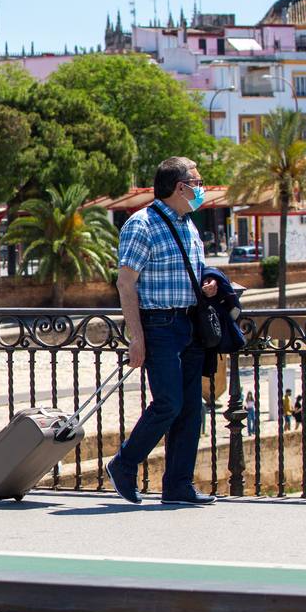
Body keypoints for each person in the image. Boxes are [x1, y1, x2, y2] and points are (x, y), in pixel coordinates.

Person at [107, 157, 219, 506]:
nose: (201, 187)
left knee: (191, 407)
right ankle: (124, 464)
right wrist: (136, 338)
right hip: (160, 326)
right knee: (169, 403)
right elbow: (126, 284)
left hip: (189, 322)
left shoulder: (189, 224)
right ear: (179, 186)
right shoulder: (141, 225)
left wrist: (207, 286)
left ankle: (178, 484)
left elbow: (186, 273)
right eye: (197, 181)